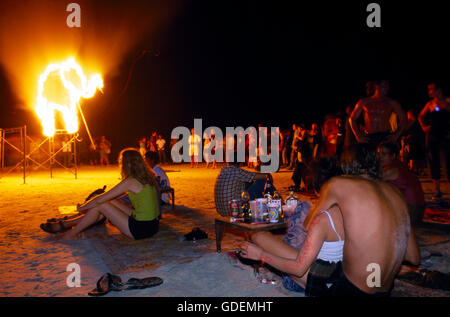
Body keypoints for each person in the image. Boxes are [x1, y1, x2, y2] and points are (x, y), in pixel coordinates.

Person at [304, 144, 420, 296]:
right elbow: (414, 257)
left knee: (303, 267)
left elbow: (308, 225)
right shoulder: (395, 192)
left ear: (345, 164)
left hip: (354, 290)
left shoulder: (338, 184)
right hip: (384, 290)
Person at [239, 157, 344, 296]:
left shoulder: (322, 217)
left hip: (314, 280)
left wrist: (260, 255)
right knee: (279, 237)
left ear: (316, 187)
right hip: (337, 274)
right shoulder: (350, 208)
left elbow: (299, 269)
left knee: (259, 236)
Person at [42, 148, 161, 241]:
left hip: (141, 229)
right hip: (152, 225)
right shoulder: (148, 177)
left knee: (101, 204)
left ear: (126, 164)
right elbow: (110, 197)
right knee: (107, 202)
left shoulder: (130, 181)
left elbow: (100, 199)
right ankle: (68, 225)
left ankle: (70, 234)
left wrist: (82, 207)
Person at [378, 142, 425, 227]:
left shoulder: (392, 170)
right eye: (379, 154)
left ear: (393, 156)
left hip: (411, 211)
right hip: (417, 210)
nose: (380, 157)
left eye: (384, 154)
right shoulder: (399, 165)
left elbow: (370, 181)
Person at [349, 80, 406, 148]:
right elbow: (352, 119)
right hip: (369, 137)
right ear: (376, 86)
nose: (387, 88)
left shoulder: (391, 102)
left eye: (388, 86)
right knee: (370, 157)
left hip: (385, 136)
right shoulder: (364, 102)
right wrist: (358, 136)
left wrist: (396, 135)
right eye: (384, 85)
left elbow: (404, 119)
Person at [418, 83, 450, 198]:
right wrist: (423, 127)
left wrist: (444, 106)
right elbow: (420, 116)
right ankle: (437, 189)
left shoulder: (447, 101)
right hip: (432, 135)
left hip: (446, 134)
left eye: (431, 89)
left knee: (448, 160)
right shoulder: (430, 104)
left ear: (439, 90)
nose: (429, 92)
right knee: (433, 160)